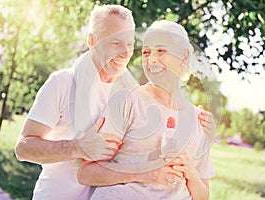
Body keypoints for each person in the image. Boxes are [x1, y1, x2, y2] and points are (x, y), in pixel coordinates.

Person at [14, 5, 215, 200]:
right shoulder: (63, 82)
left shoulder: (130, 93)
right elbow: (23, 148)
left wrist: (203, 132)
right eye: (115, 43)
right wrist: (76, 147)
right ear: (92, 41)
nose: (125, 53)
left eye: (129, 44)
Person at [78, 20, 215, 200]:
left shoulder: (200, 121)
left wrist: (190, 172)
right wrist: (145, 173)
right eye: (146, 52)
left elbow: (203, 195)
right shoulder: (127, 101)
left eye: (161, 51)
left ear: (184, 56)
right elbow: (86, 173)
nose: (151, 60)